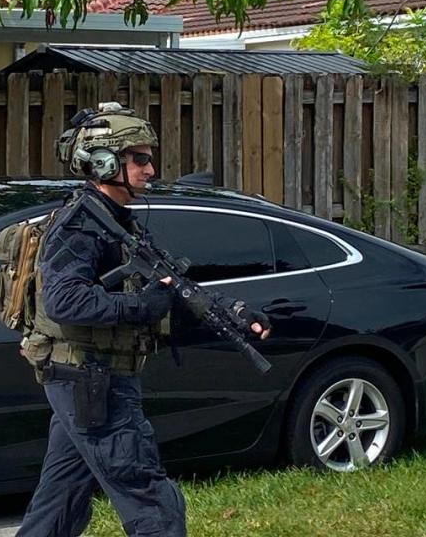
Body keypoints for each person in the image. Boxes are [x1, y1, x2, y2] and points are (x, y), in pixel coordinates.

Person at [16, 102, 270, 537]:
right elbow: (63, 300)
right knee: (152, 501)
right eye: (139, 158)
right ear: (103, 161)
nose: (150, 168)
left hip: (88, 379)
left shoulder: (118, 222)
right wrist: (139, 308)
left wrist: (234, 311)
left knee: (59, 505)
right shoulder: (80, 227)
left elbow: (171, 287)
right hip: (91, 379)